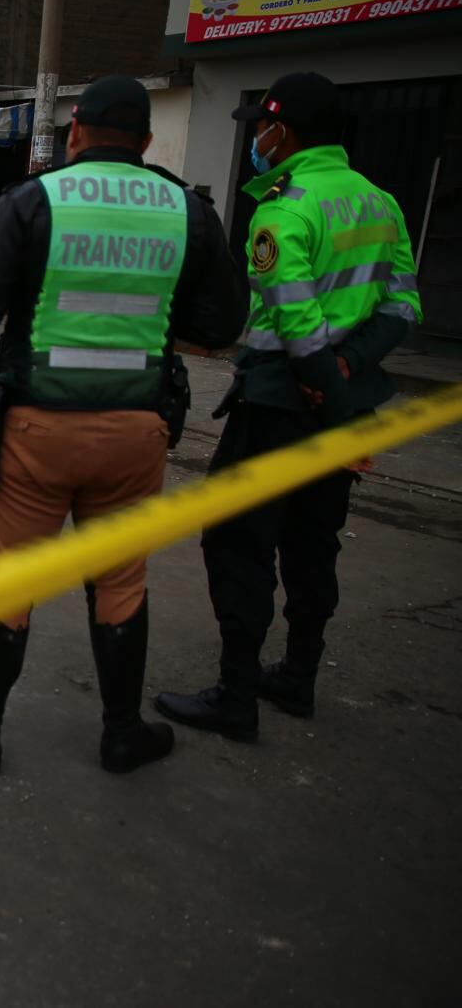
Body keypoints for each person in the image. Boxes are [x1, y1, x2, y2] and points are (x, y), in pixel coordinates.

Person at [0, 75, 246, 777]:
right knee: (121, 579)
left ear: (74, 132)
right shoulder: (186, 210)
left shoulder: (36, 200)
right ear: (147, 141)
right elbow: (222, 324)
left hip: (38, 426)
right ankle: (123, 731)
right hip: (136, 431)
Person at [155, 72, 424, 740]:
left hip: (281, 399)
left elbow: (297, 323)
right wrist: (347, 373)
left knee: (237, 540)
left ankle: (236, 696)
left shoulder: (283, 209)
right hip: (343, 395)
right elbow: (403, 308)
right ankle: (297, 677)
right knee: (313, 540)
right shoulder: (380, 202)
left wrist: (321, 381)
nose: (256, 140)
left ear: (286, 132)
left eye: (262, 128)